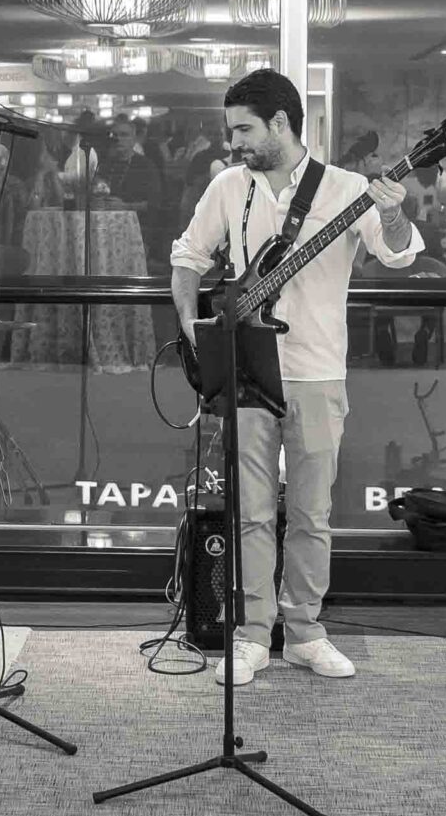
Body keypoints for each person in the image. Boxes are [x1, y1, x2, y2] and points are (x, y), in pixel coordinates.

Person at [171, 70, 420, 685]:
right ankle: (252, 634)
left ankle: (305, 632)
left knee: (312, 513)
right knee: (251, 512)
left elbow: (399, 253)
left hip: (316, 371)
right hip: (247, 368)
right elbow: (188, 257)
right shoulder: (229, 187)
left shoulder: (347, 189)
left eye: (243, 129)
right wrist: (195, 332)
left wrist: (392, 213)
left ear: (280, 122)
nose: (233, 142)